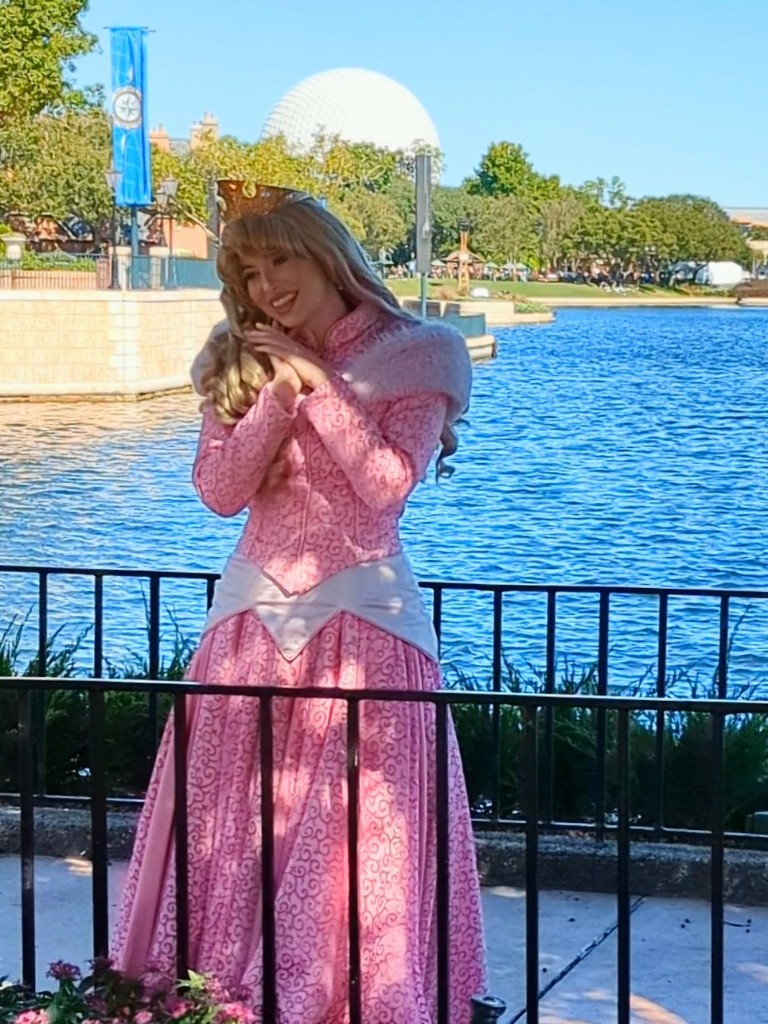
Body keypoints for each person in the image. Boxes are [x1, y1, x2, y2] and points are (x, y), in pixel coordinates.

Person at [112, 183, 487, 1023]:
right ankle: (215, 1003)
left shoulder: (418, 352)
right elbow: (218, 491)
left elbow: (385, 488)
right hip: (248, 627)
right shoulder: (239, 357)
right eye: (247, 272)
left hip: (366, 629)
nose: (266, 285)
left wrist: (319, 385)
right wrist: (278, 394)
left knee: (362, 838)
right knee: (230, 826)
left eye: (278, 259)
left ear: (325, 254)